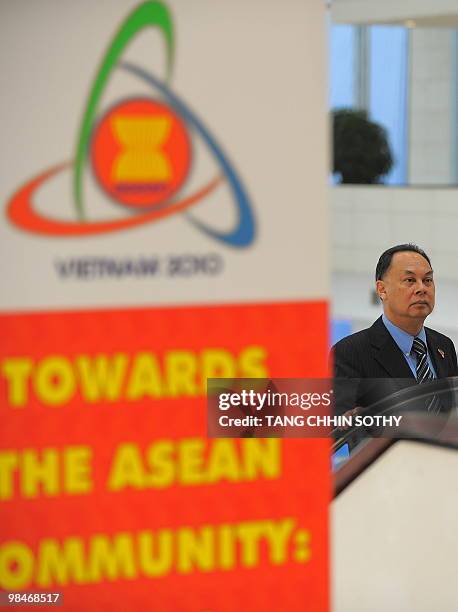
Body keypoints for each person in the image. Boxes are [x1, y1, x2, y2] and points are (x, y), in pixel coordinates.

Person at [332, 244, 458, 424]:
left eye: (428, 280)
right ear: (382, 290)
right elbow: (339, 426)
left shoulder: (443, 345)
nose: (421, 288)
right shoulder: (350, 352)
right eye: (410, 280)